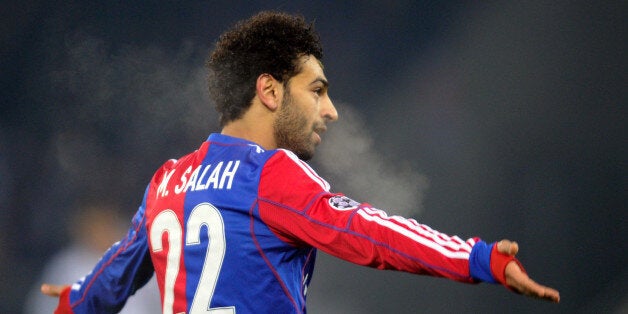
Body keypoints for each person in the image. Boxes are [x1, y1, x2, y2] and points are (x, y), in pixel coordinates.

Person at [42, 11, 560, 313]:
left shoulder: (166, 182)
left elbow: (112, 280)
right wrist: (478, 259)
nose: (330, 110)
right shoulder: (269, 175)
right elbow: (370, 234)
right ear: (269, 90)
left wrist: (71, 302)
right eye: (316, 91)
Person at [25, 202, 161, 314]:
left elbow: (166, 302)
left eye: (104, 223)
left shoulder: (140, 258)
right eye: (93, 224)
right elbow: (41, 306)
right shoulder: (66, 265)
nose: (99, 230)